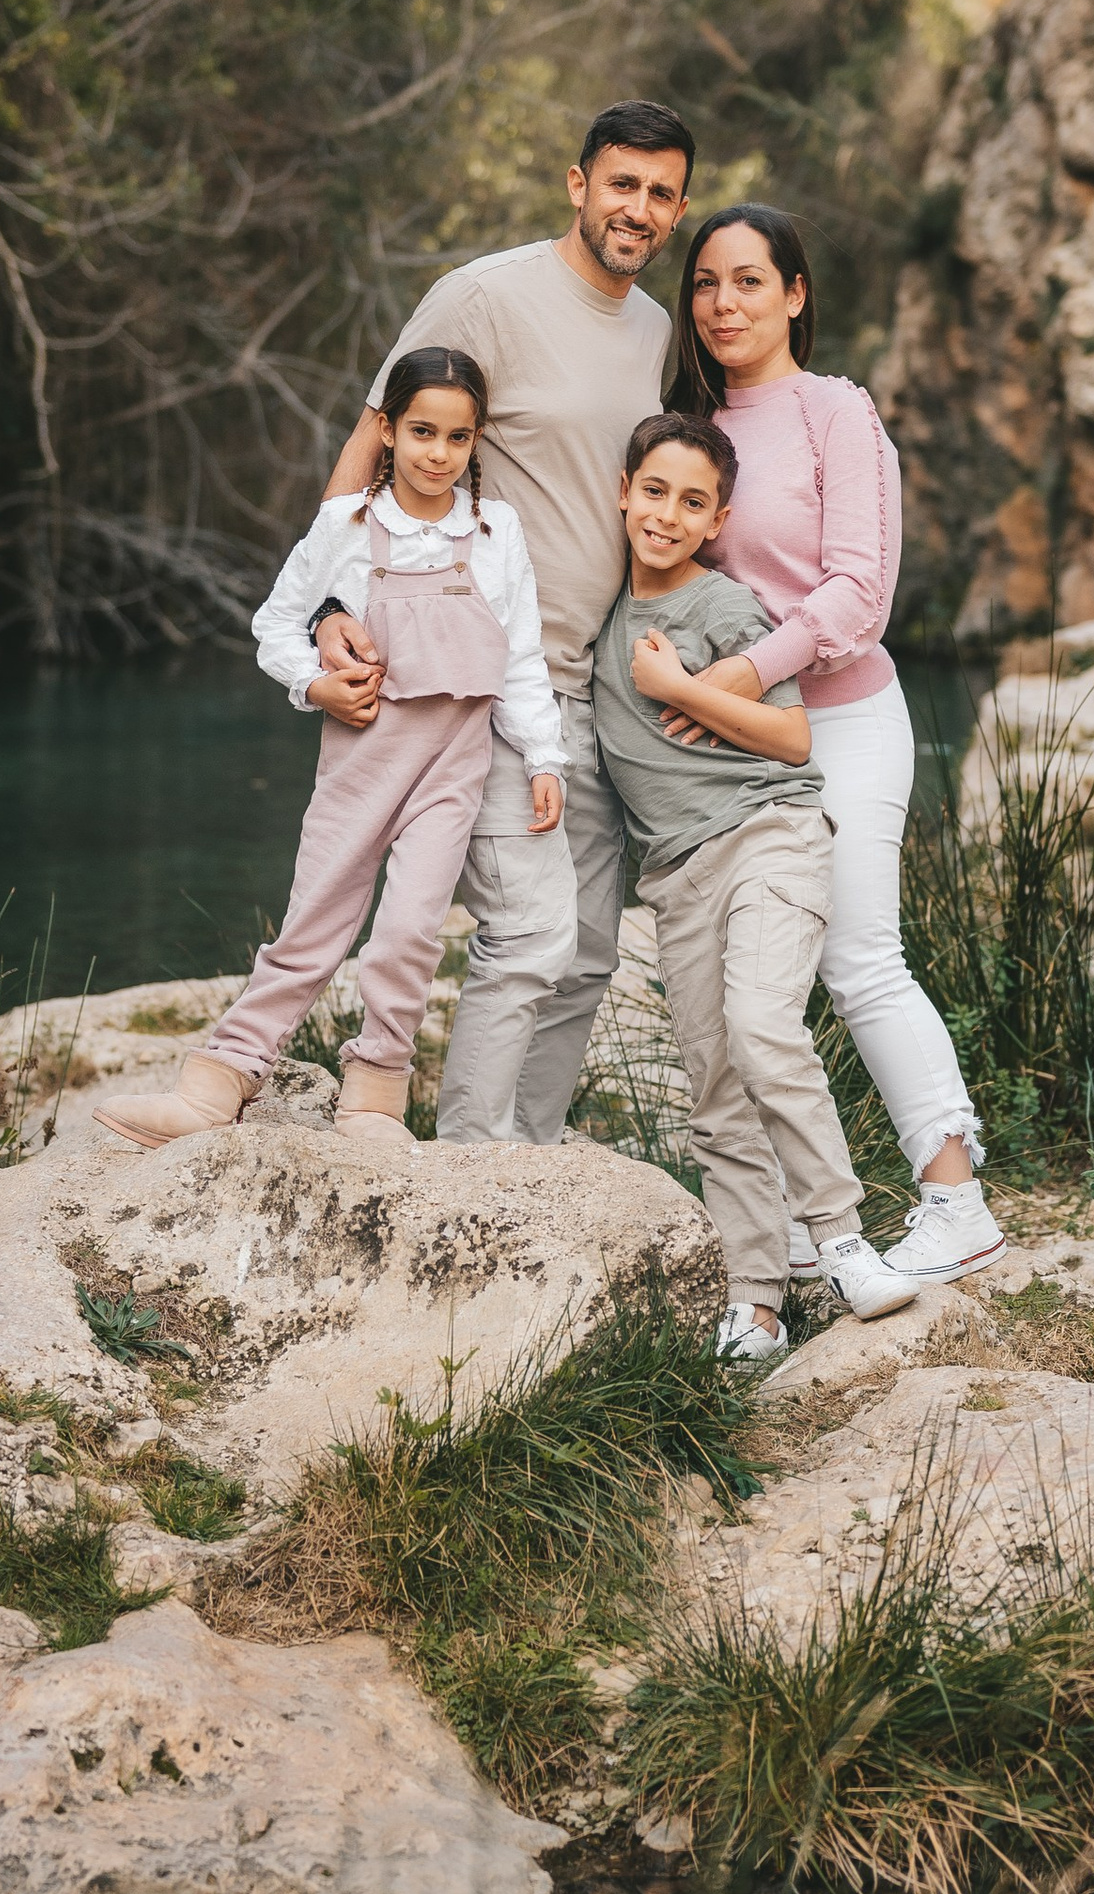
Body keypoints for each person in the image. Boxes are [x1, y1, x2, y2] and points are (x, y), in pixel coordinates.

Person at [309, 102, 694, 1146]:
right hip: (485, 678)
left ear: (678, 209)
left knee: (588, 953)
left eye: (661, 193)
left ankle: (528, 1161)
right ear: (578, 184)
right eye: (622, 184)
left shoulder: (656, 328)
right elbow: (376, 441)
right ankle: (471, 1162)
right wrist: (329, 603)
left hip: (597, 681)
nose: (639, 209)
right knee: (528, 938)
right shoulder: (482, 295)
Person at [91, 350, 565, 1151]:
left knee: (410, 931)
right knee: (313, 927)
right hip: (361, 756)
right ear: (385, 430)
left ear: (477, 441)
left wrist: (544, 755)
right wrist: (317, 686)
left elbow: (520, 656)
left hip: (456, 763)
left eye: (457, 437)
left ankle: (375, 1098)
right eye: (420, 431)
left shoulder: (495, 530)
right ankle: (218, 1083)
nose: (437, 453)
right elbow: (274, 626)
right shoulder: (345, 524)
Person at [661, 203, 1003, 1286]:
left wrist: (741, 672)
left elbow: (860, 593)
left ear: (796, 295)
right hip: (725, 746)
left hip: (842, 721)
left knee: (858, 958)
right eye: (706, 282)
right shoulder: (683, 421)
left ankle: (954, 1200)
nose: (723, 302)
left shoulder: (833, 411)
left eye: (750, 281)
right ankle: (803, 1234)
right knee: (745, 994)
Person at [591, 410, 917, 1353]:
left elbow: (792, 737)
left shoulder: (723, 608)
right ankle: (757, 1300)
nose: (666, 514)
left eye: (692, 503)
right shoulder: (605, 617)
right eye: (653, 491)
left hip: (770, 833)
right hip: (679, 873)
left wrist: (684, 688)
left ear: (716, 519)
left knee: (765, 1028)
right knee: (715, 1085)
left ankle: (846, 1241)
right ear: (623, 493)